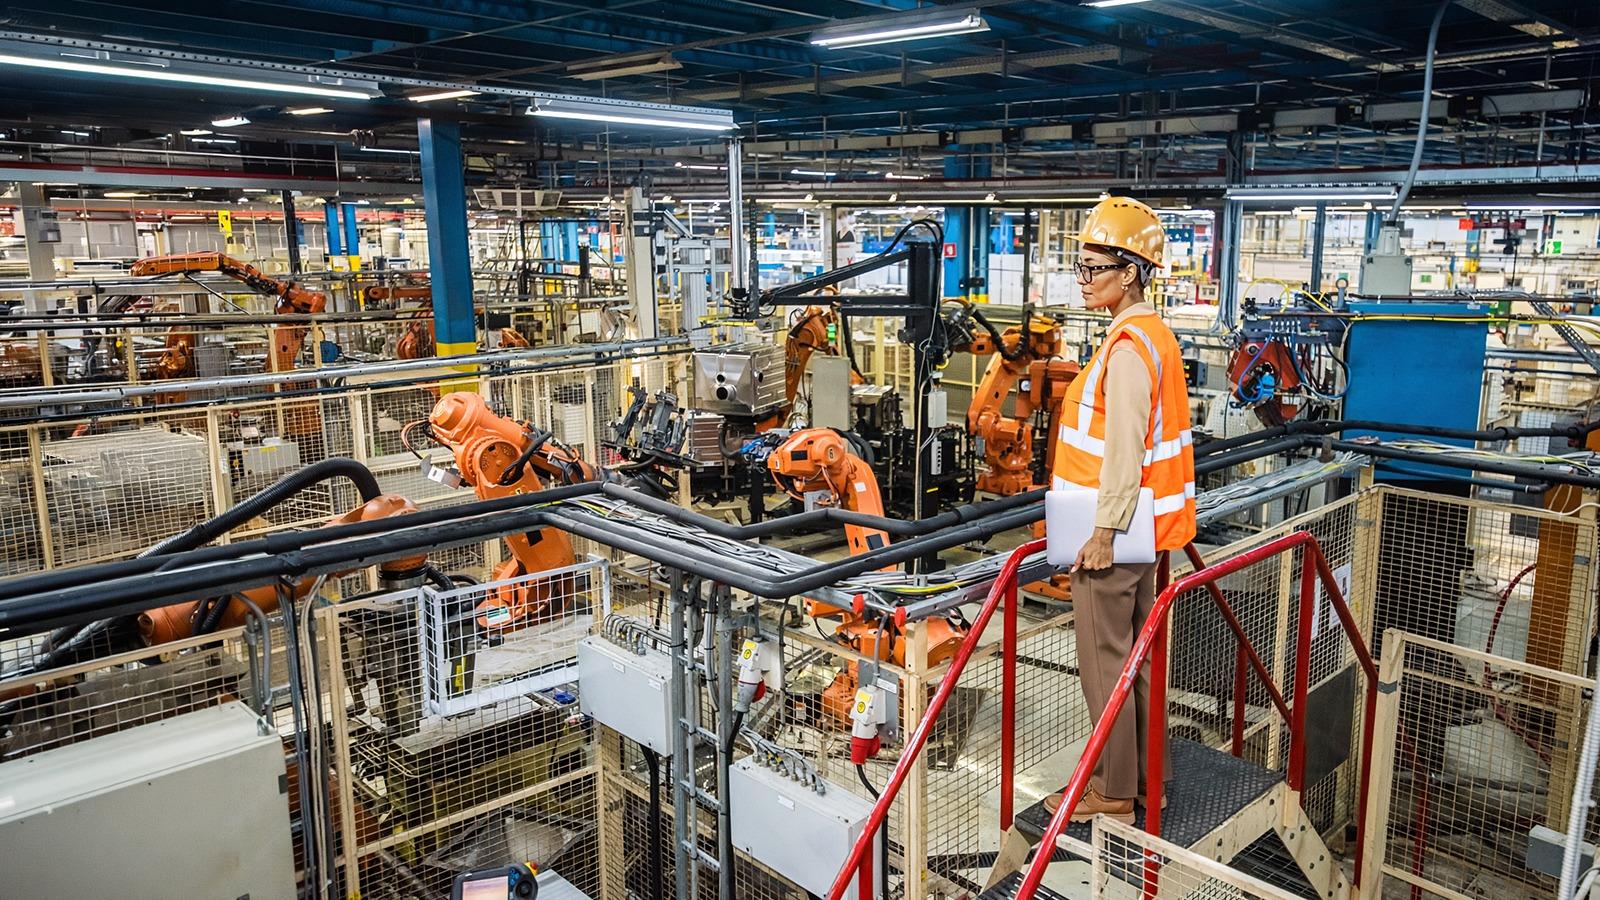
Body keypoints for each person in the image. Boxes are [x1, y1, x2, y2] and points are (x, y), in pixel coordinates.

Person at [1043, 196, 1197, 824]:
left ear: (1130, 270)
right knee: (1134, 661)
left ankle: (1111, 794)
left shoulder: (1130, 348)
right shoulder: (1150, 336)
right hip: (1144, 531)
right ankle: (1143, 785)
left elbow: (1126, 448)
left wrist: (1102, 533)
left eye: (1091, 267)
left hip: (1112, 536)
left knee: (1105, 663)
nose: (1082, 279)